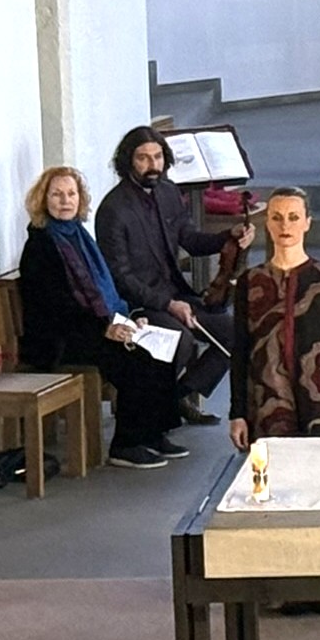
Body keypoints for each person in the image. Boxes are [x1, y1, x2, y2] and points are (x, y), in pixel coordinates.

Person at [229, 187, 320, 615]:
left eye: (294, 217)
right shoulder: (251, 282)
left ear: (308, 223)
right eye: (278, 217)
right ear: (267, 224)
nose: (286, 226)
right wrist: (237, 412)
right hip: (268, 400)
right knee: (280, 491)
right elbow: (239, 350)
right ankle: (286, 585)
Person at [18, 167, 184, 470]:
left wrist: (130, 319)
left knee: (159, 348)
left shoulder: (79, 235)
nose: (65, 201)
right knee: (136, 359)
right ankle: (125, 445)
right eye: (57, 195)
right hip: (60, 338)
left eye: (71, 194)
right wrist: (105, 328)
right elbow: (56, 307)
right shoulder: (40, 245)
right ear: (43, 200)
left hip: (92, 325)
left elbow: (104, 290)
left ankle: (153, 434)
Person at [95, 125, 255, 425]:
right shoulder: (113, 209)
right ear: (128, 161)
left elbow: (191, 241)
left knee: (236, 333)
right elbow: (121, 277)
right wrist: (168, 305)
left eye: (157, 157)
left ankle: (176, 397)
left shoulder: (168, 192)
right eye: (143, 158)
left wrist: (228, 236)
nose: (152, 165)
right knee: (179, 339)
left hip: (176, 295)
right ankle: (157, 414)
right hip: (141, 304)